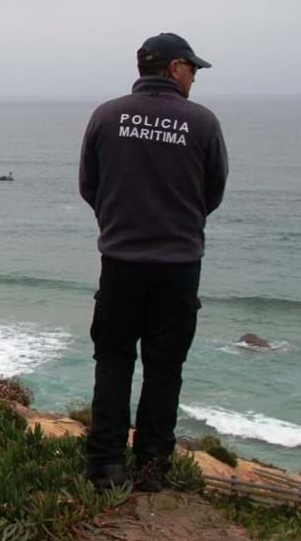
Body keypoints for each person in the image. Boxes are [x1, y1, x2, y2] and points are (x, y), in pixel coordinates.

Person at [78, 32, 228, 492]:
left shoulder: (107, 116)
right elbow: (213, 192)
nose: (194, 78)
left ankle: (105, 465)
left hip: (121, 260)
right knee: (165, 366)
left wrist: (120, 220)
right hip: (178, 265)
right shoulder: (201, 123)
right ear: (173, 68)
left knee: (114, 358)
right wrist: (177, 222)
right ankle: (151, 467)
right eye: (192, 69)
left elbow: (90, 185)